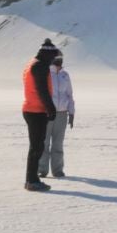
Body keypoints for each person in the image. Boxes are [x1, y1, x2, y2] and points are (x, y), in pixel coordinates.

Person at [21, 39, 60, 192]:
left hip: (32, 109)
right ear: (47, 54)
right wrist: (51, 109)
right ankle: (31, 180)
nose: (53, 60)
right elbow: (42, 90)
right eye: (53, 56)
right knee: (36, 147)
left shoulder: (33, 63)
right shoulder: (39, 66)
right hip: (35, 110)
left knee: (37, 146)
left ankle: (32, 179)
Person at [43, 50, 75, 179]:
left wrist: (71, 113)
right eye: (58, 58)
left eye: (61, 58)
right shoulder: (46, 74)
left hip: (62, 113)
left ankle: (57, 170)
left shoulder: (65, 75)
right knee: (44, 142)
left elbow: (69, 95)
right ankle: (42, 169)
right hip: (47, 113)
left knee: (58, 143)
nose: (60, 61)